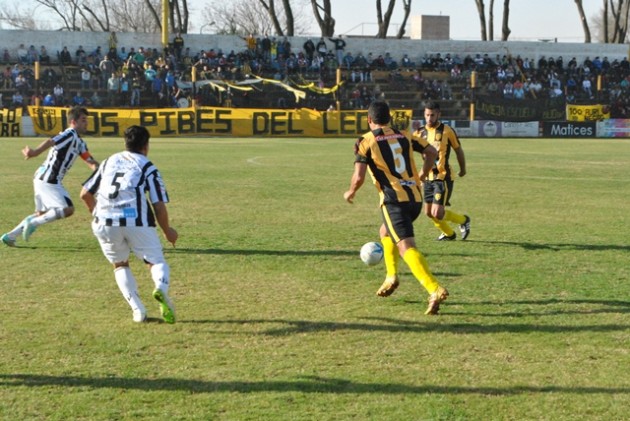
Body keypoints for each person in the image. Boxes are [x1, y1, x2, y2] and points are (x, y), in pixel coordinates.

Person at [343, 100, 449, 315]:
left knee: (406, 246)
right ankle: (391, 277)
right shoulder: (405, 135)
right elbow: (431, 153)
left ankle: (434, 288)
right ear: (389, 119)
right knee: (385, 231)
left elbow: (359, 176)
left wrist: (351, 191)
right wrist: (420, 175)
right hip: (415, 199)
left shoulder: (365, 141)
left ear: (369, 120)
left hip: (393, 200)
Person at [80, 125, 178, 324]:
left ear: (126, 143)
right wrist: (168, 231)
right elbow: (158, 205)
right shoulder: (148, 166)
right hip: (136, 221)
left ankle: (138, 310)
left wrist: (99, 213)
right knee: (156, 261)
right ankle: (160, 288)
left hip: (104, 222)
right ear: (146, 145)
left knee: (120, 264)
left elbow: (85, 194)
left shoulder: (108, 162)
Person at [1, 107, 98, 247]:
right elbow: (51, 141)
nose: (86, 123)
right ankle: (32, 223)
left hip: (42, 177)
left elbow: (89, 161)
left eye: (86, 120)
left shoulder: (80, 143)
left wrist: (100, 170)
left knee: (42, 213)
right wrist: (35, 152)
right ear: (73, 121)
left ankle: (10, 236)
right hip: (49, 178)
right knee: (68, 209)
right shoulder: (69, 134)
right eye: (83, 120)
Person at [412, 101, 470, 241]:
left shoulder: (447, 131)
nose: (429, 118)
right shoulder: (419, 133)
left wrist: (463, 169)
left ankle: (463, 220)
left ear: (439, 114)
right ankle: (449, 234)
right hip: (427, 178)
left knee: (437, 213)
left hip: (443, 177)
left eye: (432, 115)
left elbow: (458, 150)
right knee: (428, 213)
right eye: (427, 115)